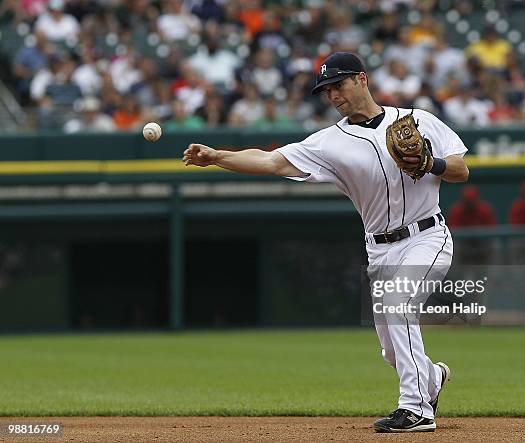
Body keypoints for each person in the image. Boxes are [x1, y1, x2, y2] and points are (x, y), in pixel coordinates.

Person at [182, 52, 469, 433]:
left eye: (339, 85)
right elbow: (272, 162)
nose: (333, 95)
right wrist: (219, 156)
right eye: (327, 90)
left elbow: (461, 171)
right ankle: (430, 379)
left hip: (427, 236)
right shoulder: (330, 142)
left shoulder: (419, 121)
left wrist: (429, 163)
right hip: (379, 248)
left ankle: (416, 409)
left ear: (362, 80)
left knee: (400, 307)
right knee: (390, 349)